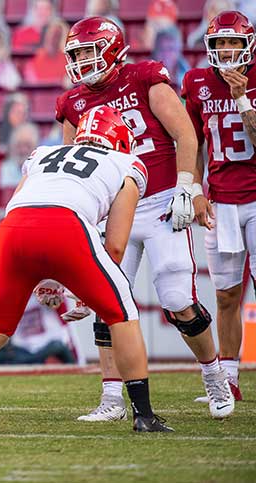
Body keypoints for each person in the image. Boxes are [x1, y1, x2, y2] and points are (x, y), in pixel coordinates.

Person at [0, 105, 172, 433]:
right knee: (122, 315)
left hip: (13, 230)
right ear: (121, 141)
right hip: (65, 226)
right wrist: (87, 288)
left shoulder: (44, 154)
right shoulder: (125, 163)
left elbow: (20, 202)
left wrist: (45, 274)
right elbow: (114, 246)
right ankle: (144, 415)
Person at [55, 16, 234, 421]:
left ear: (113, 47)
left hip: (160, 202)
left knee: (177, 299)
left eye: (88, 50)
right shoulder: (73, 103)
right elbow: (70, 167)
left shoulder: (145, 78)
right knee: (106, 301)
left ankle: (214, 375)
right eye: (76, 53)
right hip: (112, 208)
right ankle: (112, 398)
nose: (82, 60)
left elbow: (186, 134)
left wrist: (189, 186)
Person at [181, 10, 256, 403]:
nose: (226, 51)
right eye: (220, 43)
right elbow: (191, 143)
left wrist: (242, 96)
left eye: (233, 43)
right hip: (221, 199)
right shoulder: (195, 82)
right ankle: (229, 379)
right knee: (226, 294)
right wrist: (194, 189)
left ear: (247, 45)